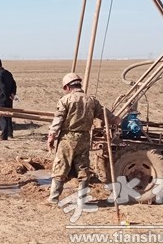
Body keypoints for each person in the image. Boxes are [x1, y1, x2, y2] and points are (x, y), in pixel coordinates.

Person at [47, 72, 118, 204]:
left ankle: (53, 198)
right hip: (85, 138)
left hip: (67, 139)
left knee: (60, 167)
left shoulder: (65, 100)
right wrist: (117, 120)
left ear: (67, 87)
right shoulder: (91, 100)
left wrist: (51, 136)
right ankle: (82, 200)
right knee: (83, 169)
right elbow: (105, 115)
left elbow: (58, 120)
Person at [0, 58, 17, 140]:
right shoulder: (8, 73)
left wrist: (7, 95)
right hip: (9, 98)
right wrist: (12, 93)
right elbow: (14, 84)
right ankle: (10, 133)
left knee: (3, 116)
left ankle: (4, 135)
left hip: (2, 98)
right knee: (9, 115)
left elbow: (1, 86)